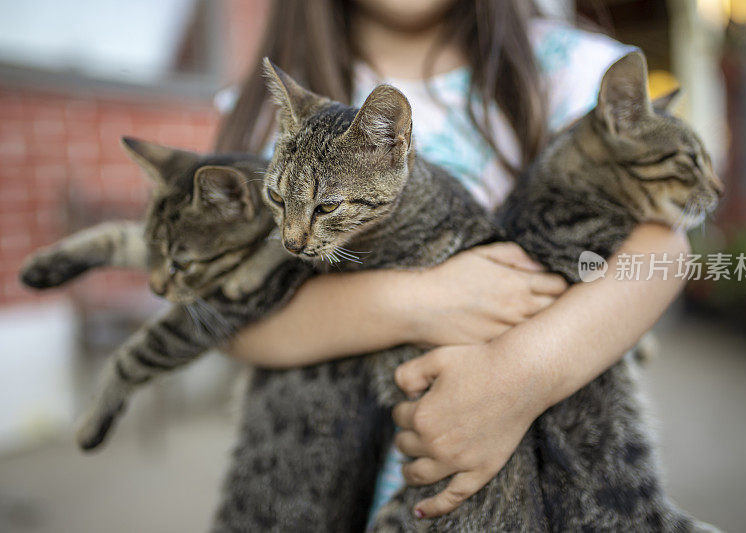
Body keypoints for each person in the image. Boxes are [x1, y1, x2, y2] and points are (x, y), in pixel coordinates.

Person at [217, 0, 690, 523]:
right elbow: (227, 316)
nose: (294, 233)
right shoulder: (274, 107)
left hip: (547, 475)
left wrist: (515, 376)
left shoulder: (570, 68)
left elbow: (663, 251)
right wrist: (419, 300)